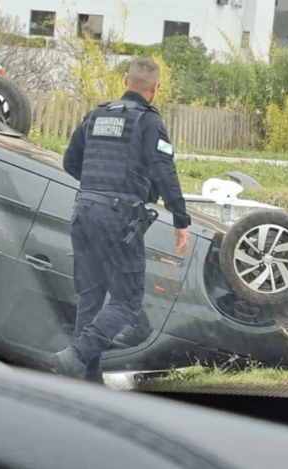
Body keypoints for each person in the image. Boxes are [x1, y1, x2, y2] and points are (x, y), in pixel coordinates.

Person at [52, 57, 191, 382]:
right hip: (118, 219)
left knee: (90, 300)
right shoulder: (148, 122)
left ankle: (88, 385)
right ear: (154, 88)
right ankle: (76, 355)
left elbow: (71, 163)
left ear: (126, 81)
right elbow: (163, 170)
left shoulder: (97, 114)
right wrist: (180, 219)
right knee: (127, 301)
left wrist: (98, 187)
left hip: (83, 213)